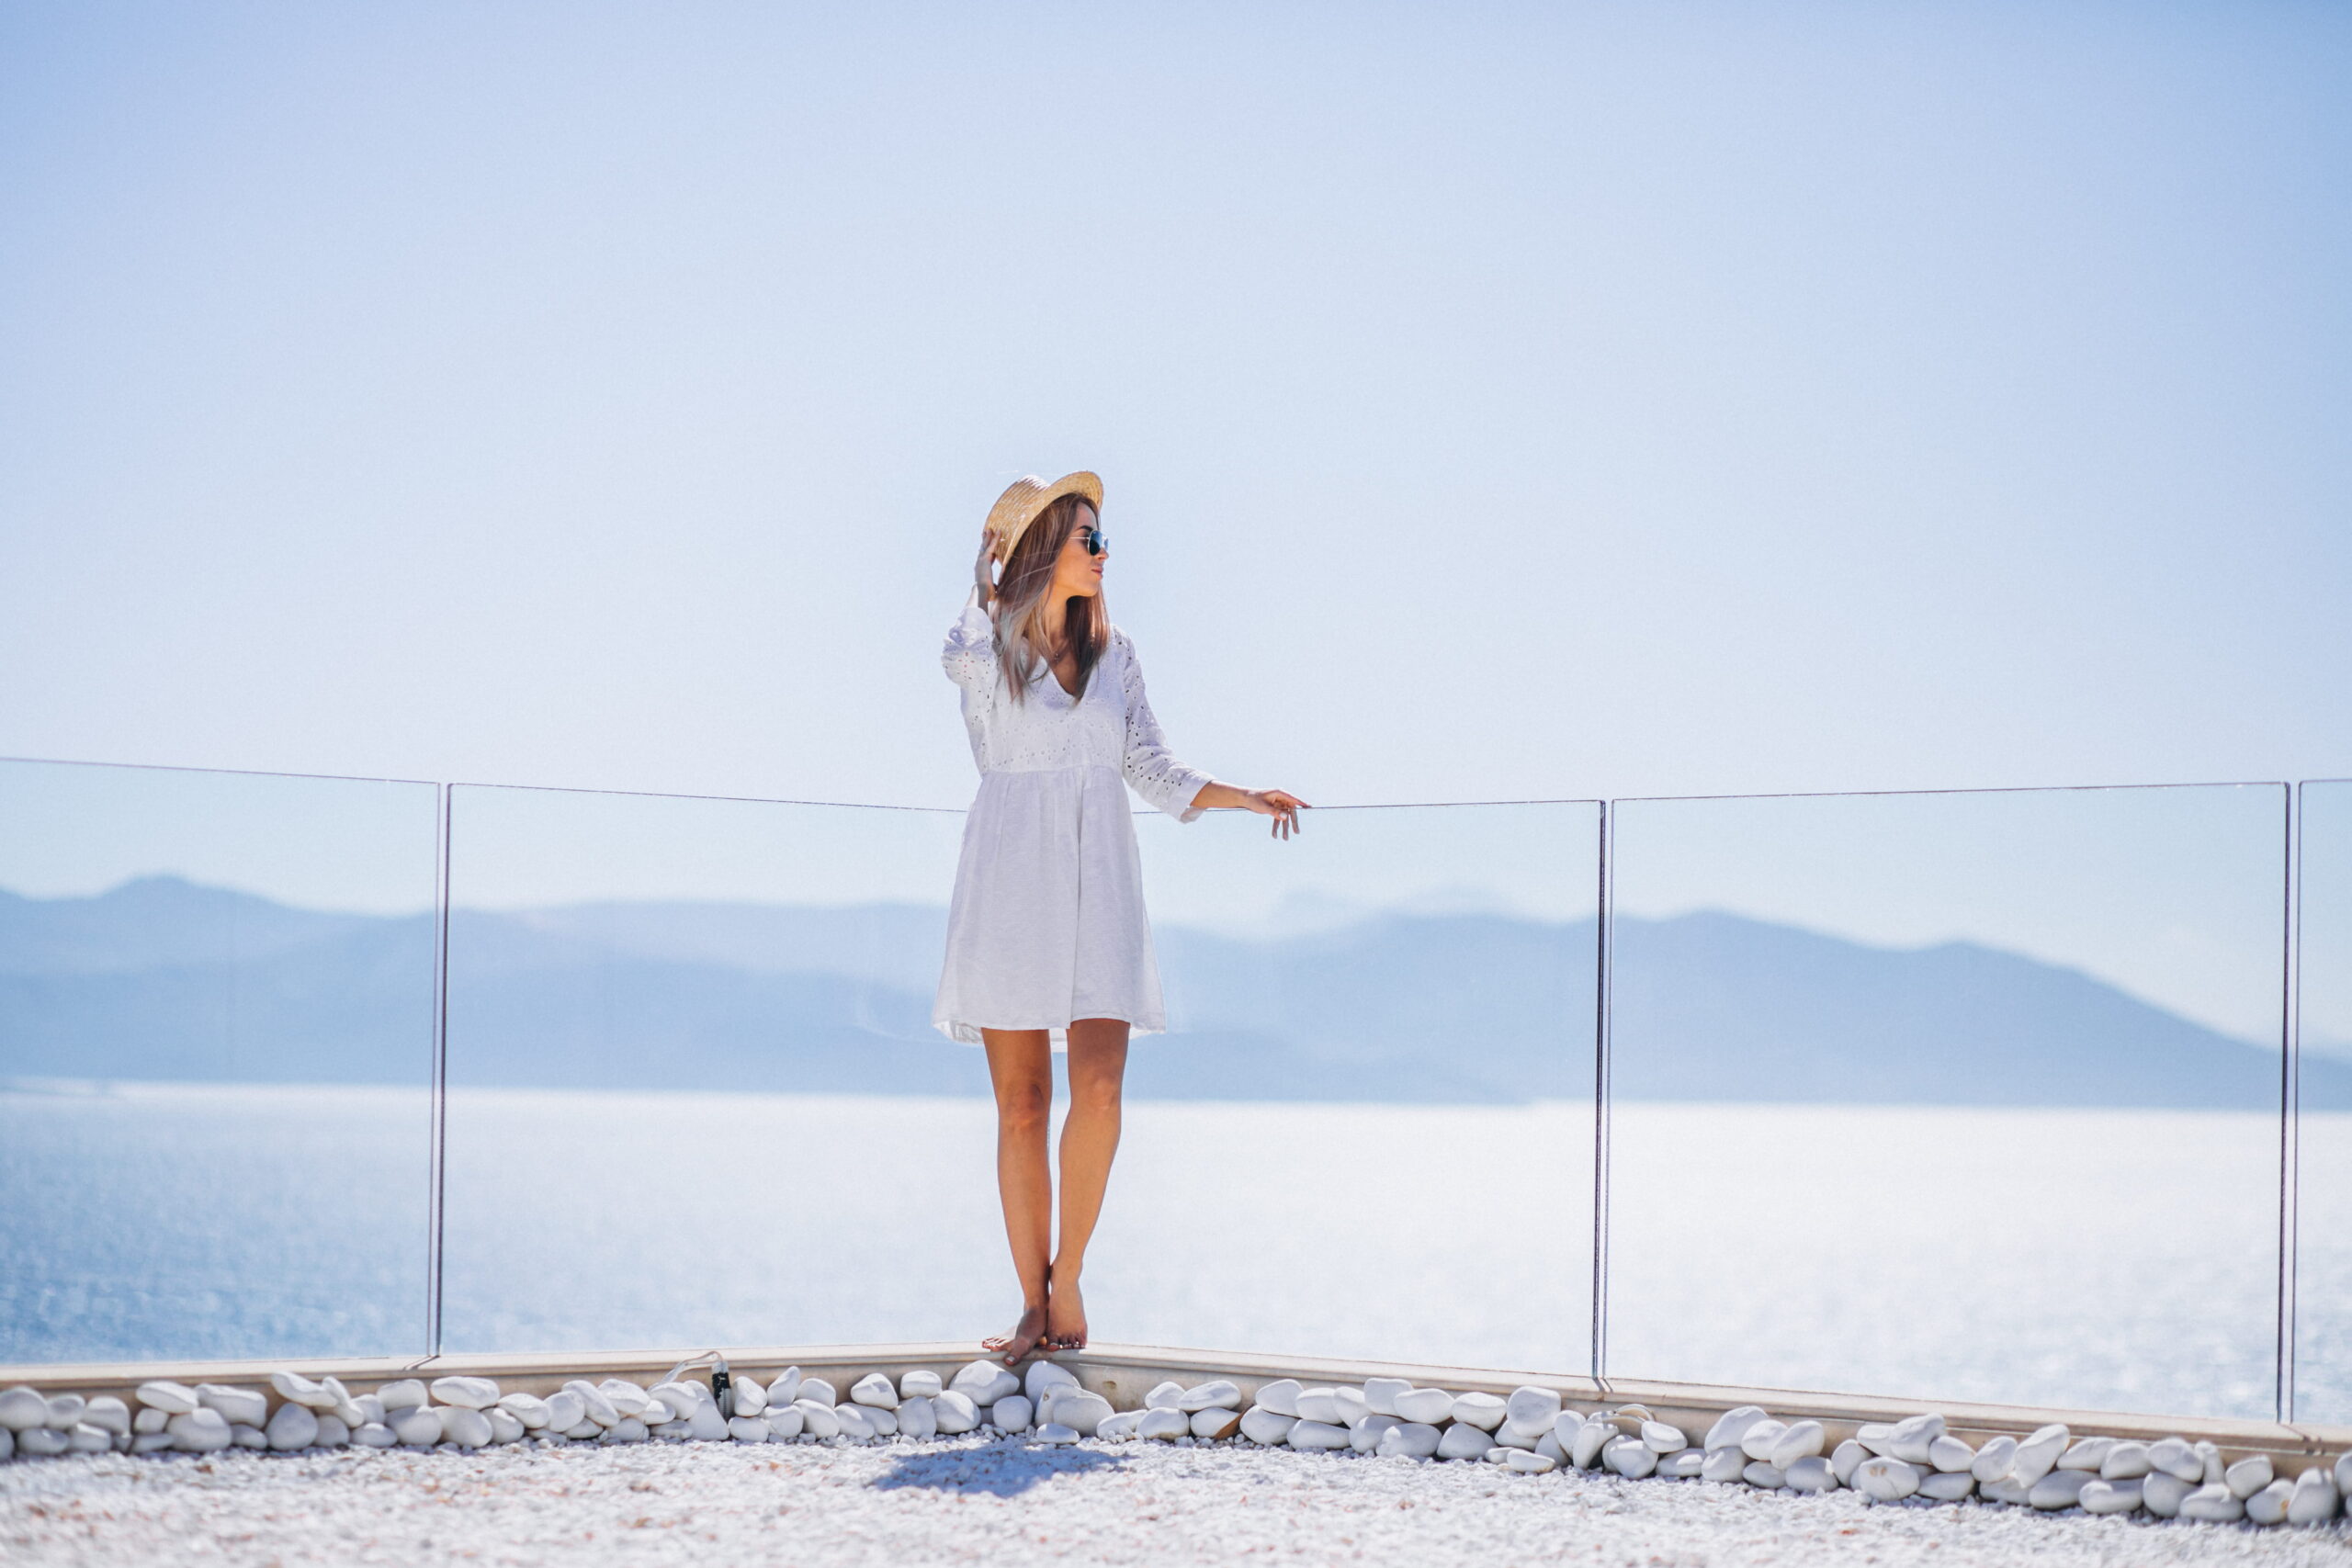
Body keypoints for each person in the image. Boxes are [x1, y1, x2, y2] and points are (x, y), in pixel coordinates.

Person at [935, 471, 1306, 1364]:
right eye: (1086, 540)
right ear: (1040, 554)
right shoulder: (988, 648)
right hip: (1009, 881)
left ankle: (1071, 1277)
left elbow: (1150, 765)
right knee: (1022, 1105)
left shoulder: (1119, 654)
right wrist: (984, 579)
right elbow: (957, 656)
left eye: (1103, 540)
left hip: (1099, 879)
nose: (1104, 555)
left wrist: (1239, 797)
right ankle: (1031, 1302)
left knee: (1099, 1091)